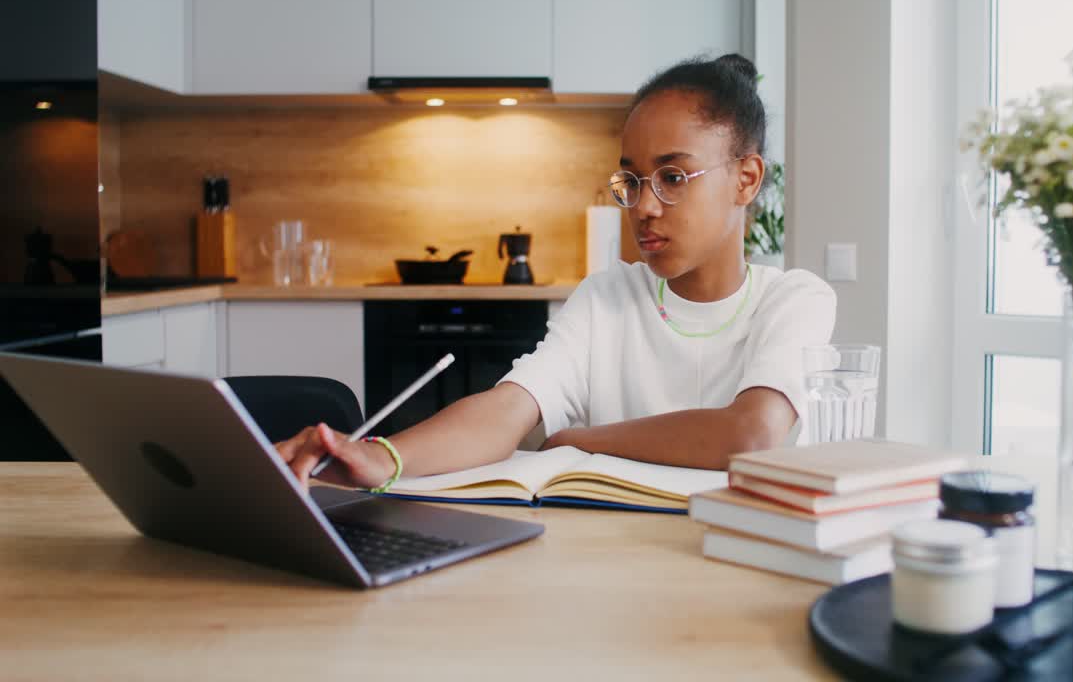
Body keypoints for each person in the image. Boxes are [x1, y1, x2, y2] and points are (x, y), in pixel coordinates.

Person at [275, 54, 836, 489]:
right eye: (632, 181)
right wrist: (380, 457)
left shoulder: (795, 300)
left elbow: (752, 434)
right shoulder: (608, 297)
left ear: (746, 179)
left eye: (672, 177)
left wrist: (584, 440)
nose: (643, 206)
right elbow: (507, 410)